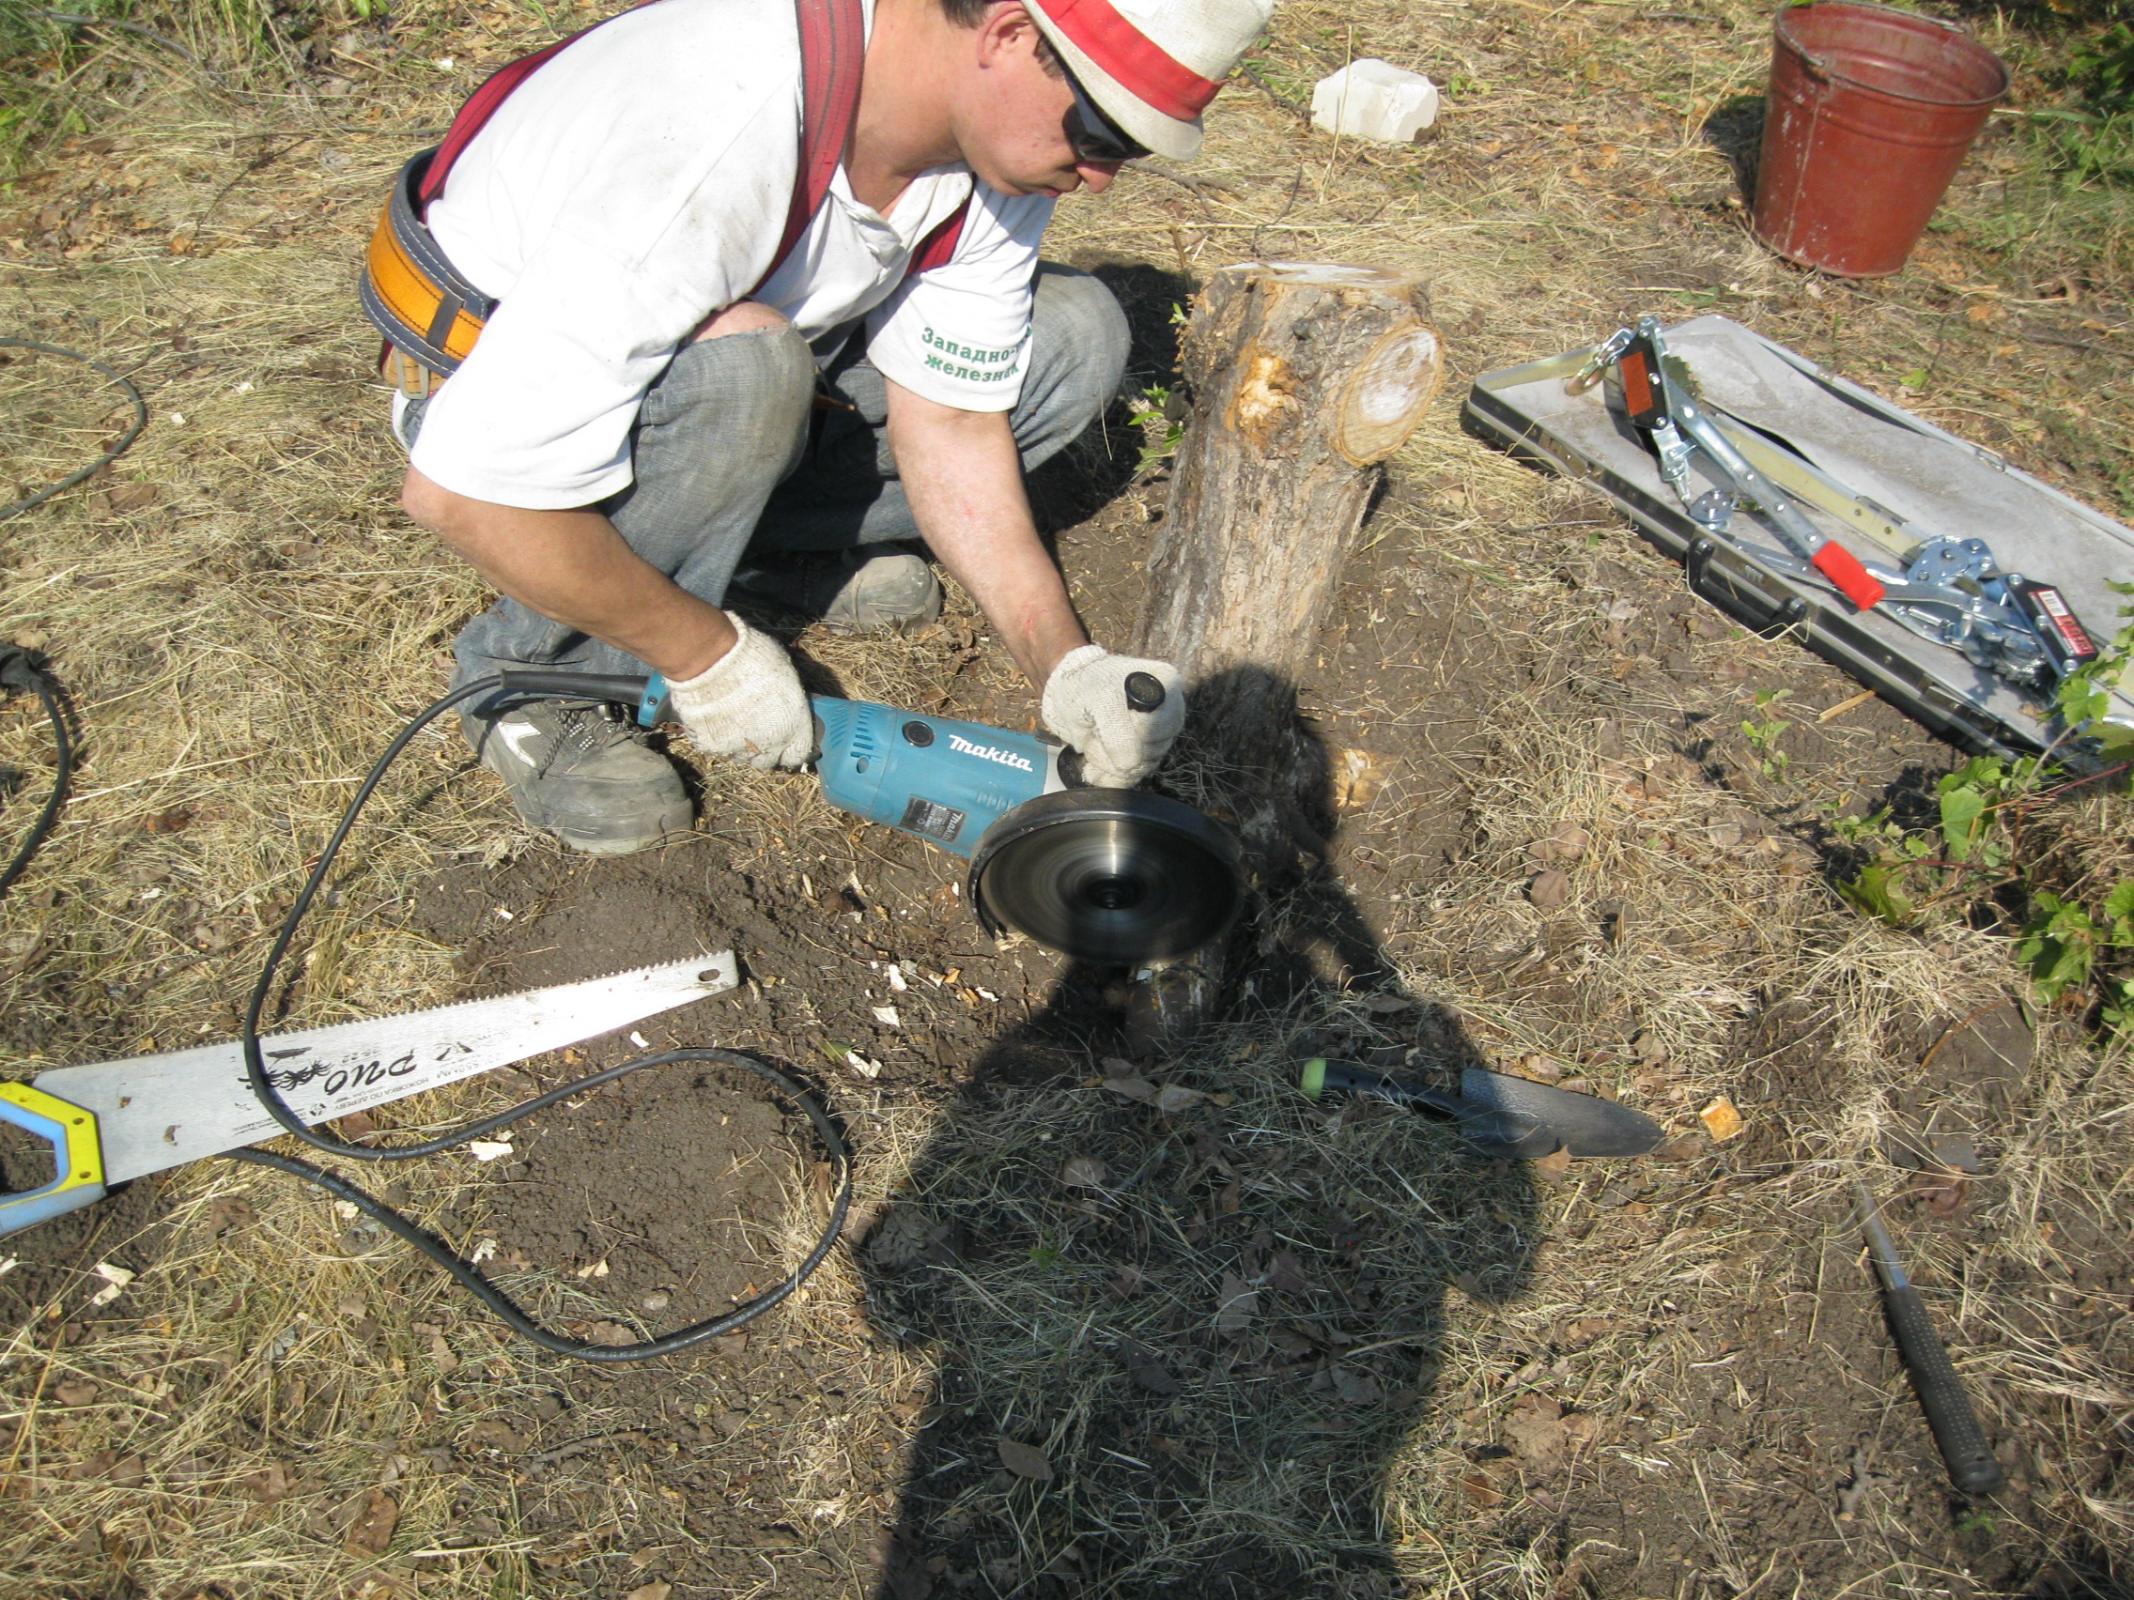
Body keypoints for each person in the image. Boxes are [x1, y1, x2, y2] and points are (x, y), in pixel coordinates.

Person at [365, 0, 1275, 854]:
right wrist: (707, 658)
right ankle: (535, 675)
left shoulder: (983, 139)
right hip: (492, 403)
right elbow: (461, 492)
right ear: (1004, 33)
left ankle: (739, 558)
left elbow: (953, 421)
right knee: (746, 372)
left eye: (1133, 152)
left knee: (1074, 339)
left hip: (726, 364)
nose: (1105, 179)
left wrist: (1064, 661)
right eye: (1101, 134)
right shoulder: (715, 119)